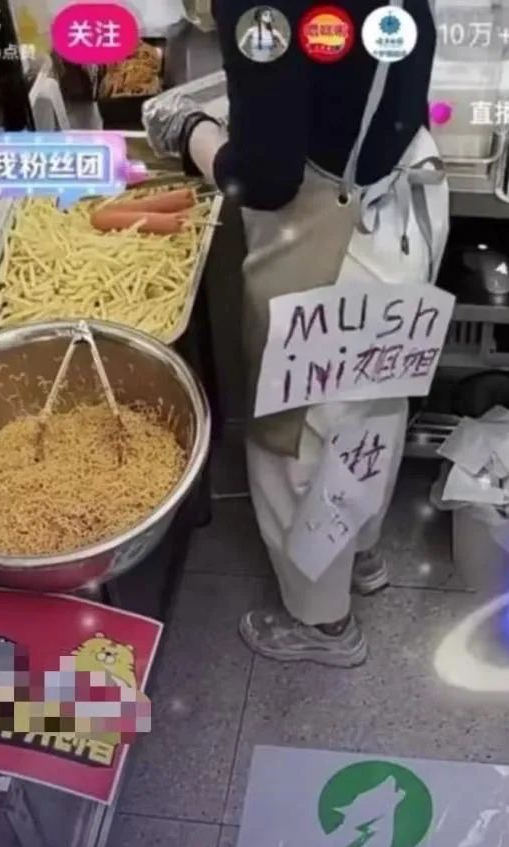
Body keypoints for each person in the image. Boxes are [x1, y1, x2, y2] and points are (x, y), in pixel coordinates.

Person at [142, 0, 450, 667]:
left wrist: (190, 129)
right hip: (398, 217)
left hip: (328, 241)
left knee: (297, 442)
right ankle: (360, 553)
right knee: (370, 412)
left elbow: (266, 177)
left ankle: (322, 623)